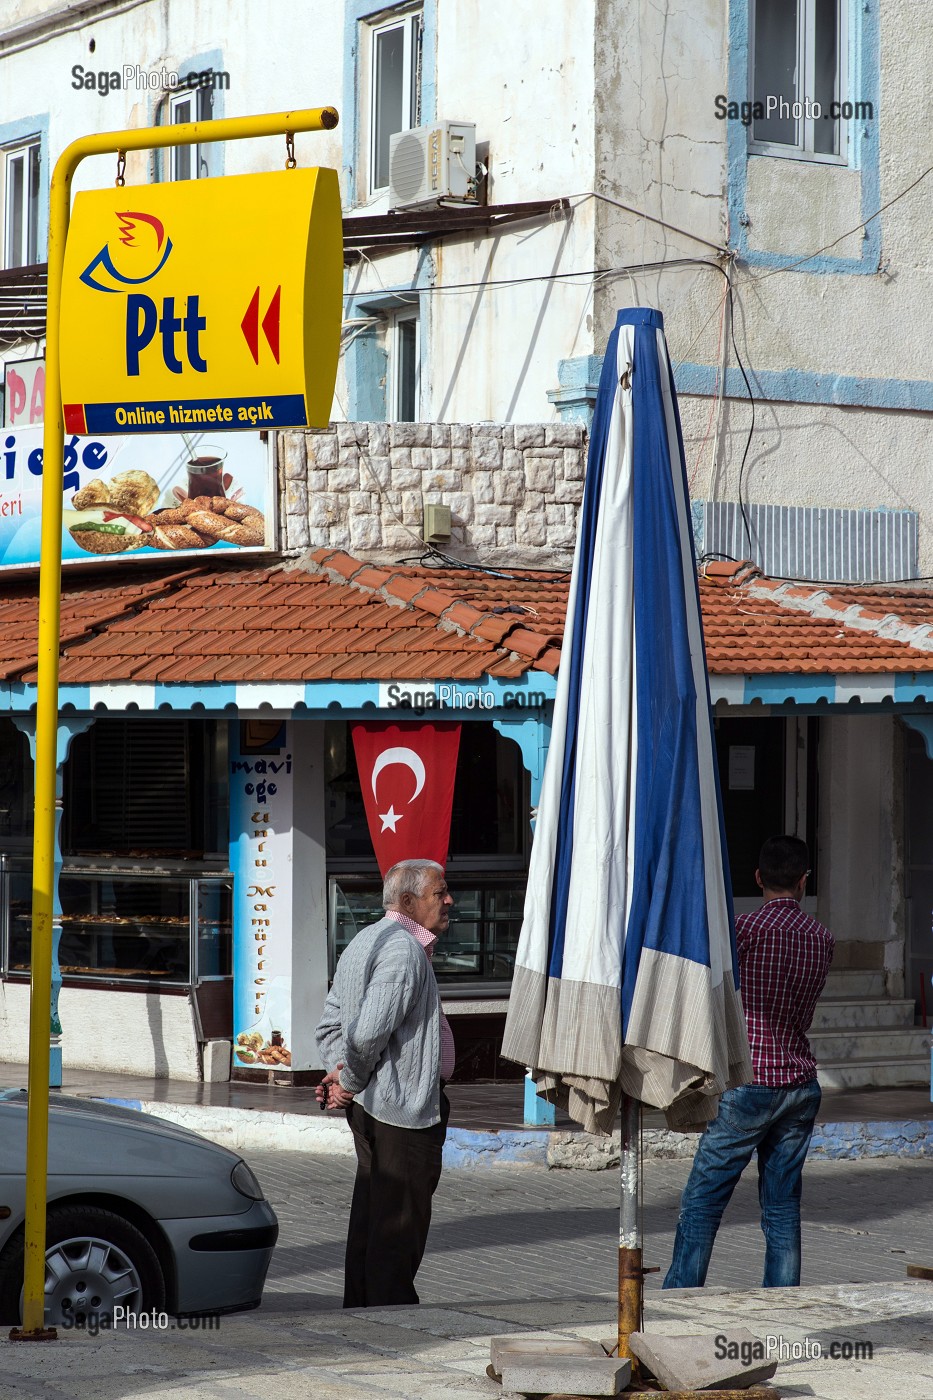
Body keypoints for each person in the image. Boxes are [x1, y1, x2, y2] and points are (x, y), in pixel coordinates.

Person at [663, 834, 834, 1290]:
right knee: (781, 1209)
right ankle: (783, 1306)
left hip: (749, 1080)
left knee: (702, 1204)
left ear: (758, 878)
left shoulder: (745, 930)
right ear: (803, 882)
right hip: (799, 1082)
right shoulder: (822, 938)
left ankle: (678, 1305)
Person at [314, 858, 456, 1308]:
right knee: (397, 1227)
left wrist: (340, 1075)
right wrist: (350, 1080)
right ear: (410, 901)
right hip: (400, 1114)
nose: (449, 900)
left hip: (377, 1107)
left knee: (374, 1223)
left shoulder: (366, 938)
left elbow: (331, 1027)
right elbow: (366, 1031)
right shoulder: (402, 951)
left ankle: (360, 1313)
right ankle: (394, 1326)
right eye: (440, 893)